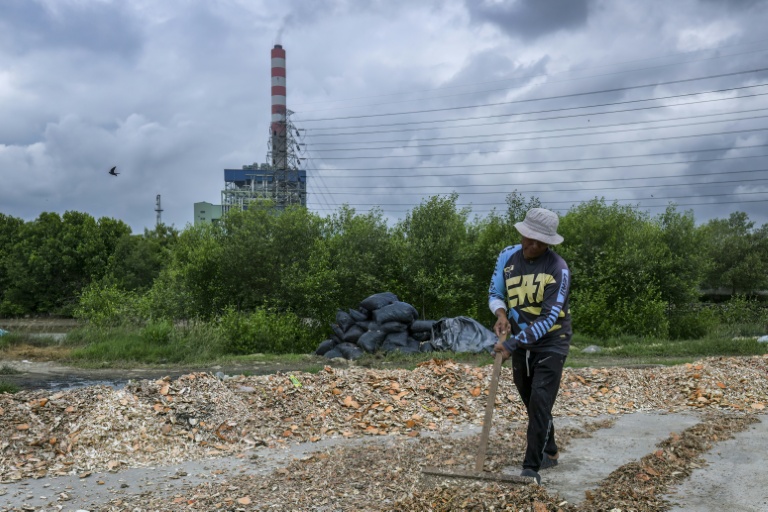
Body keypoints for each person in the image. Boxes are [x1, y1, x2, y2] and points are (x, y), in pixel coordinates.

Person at [488, 207, 572, 484]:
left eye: (540, 241)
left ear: (549, 242)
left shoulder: (557, 269)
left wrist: (512, 343)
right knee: (531, 399)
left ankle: (530, 468)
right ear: (522, 234)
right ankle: (550, 449)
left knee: (539, 399)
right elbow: (497, 294)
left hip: (551, 341)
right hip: (521, 342)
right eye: (529, 238)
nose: (534, 245)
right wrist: (502, 315)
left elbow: (548, 318)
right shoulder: (508, 260)